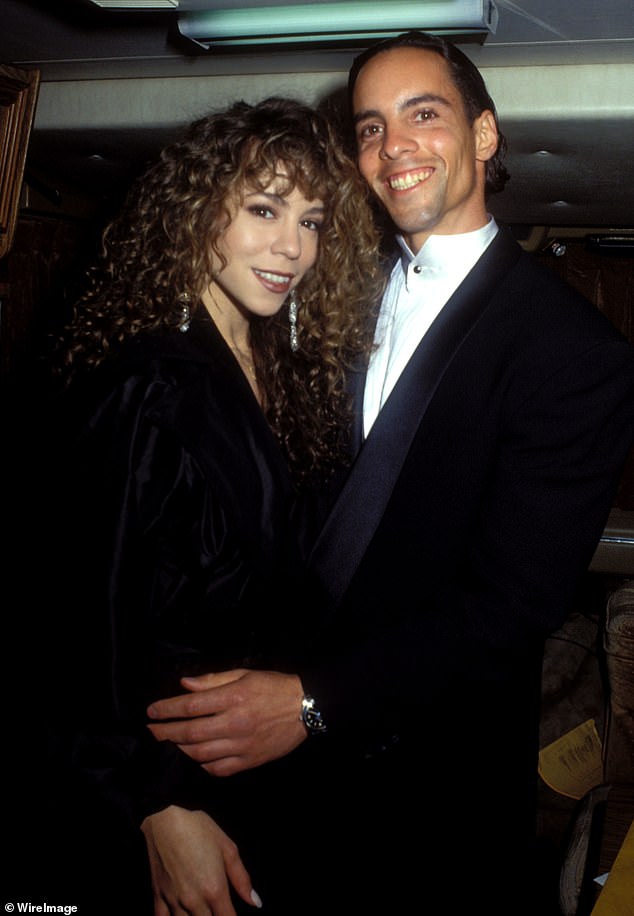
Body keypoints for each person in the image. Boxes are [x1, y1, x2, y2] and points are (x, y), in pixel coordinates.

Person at [146, 31, 634, 913]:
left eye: (424, 114)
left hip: (428, 791)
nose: (393, 146)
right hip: (271, 776)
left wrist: (308, 704)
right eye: (370, 127)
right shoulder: (326, 294)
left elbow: (509, 608)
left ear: (485, 136)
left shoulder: (571, 349)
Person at [25, 96, 384, 914]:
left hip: (249, 768)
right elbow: (74, 627)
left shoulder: (275, 377)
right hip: (157, 783)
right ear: (197, 212)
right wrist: (158, 807)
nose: (292, 246)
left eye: (313, 221)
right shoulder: (149, 386)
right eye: (264, 209)